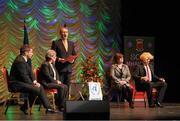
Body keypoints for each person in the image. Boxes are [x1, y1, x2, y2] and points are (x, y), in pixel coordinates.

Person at [9, 45, 55, 114]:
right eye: (31, 52)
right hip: (16, 84)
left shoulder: (26, 59)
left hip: (21, 82)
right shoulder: (19, 61)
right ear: (25, 53)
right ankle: (47, 108)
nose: (32, 54)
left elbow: (30, 72)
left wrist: (35, 81)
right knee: (36, 89)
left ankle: (25, 107)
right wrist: (33, 84)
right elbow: (24, 76)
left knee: (39, 87)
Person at [51, 24, 76, 89]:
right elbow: (51, 55)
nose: (65, 34)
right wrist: (58, 59)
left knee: (67, 87)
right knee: (60, 87)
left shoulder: (71, 43)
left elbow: (74, 54)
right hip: (60, 69)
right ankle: (60, 99)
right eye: (63, 32)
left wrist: (73, 60)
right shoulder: (56, 43)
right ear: (60, 33)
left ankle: (66, 99)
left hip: (68, 69)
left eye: (66, 32)